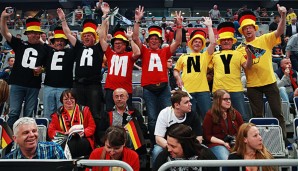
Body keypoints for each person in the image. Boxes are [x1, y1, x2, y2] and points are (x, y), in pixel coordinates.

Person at [235, 5, 288, 142]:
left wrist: (283, 16)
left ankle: (282, 139)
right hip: (253, 86)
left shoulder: (265, 39)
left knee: (278, 113)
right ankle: (260, 140)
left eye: (250, 27)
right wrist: (250, 56)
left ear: (254, 29)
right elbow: (248, 66)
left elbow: (280, 30)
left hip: (270, 82)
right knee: (257, 116)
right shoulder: (240, 49)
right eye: (245, 28)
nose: (248, 30)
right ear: (242, 31)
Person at [132, 6, 182, 146]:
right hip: (149, 89)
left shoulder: (165, 51)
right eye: (151, 39)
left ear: (160, 41)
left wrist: (179, 26)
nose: (154, 41)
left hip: (164, 88)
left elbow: (177, 42)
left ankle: (170, 141)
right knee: (153, 118)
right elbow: (135, 37)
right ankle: (156, 143)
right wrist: (137, 21)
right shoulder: (144, 51)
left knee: (169, 116)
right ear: (148, 41)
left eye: (156, 39)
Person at [57, 8, 104, 144]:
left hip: (93, 85)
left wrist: (105, 17)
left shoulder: (98, 47)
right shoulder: (78, 47)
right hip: (78, 84)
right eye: (84, 35)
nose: (86, 37)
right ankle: (82, 139)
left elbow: (103, 34)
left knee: (95, 113)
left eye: (89, 35)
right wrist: (63, 20)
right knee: (79, 112)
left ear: (94, 37)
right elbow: (66, 32)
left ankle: (95, 140)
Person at [1, 8, 47, 128]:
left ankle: (26, 141)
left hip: (33, 85)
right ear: (27, 34)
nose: (35, 35)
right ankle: (9, 142)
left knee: (29, 116)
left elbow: (47, 67)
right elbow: (5, 33)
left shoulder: (44, 48)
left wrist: (41, 70)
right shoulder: (20, 44)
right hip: (17, 83)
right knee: (14, 113)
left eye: (37, 33)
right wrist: (3, 18)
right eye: (33, 33)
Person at [174, 17, 216, 122]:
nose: (197, 43)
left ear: (202, 45)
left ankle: (207, 138)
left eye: (199, 42)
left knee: (207, 117)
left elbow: (213, 43)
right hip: (187, 91)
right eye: (195, 41)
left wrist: (209, 27)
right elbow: (175, 70)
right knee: (188, 118)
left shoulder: (205, 56)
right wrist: (178, 77)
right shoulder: (183, 56)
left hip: (203, 91)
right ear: (191, 43)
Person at [98, 11, 140, 110]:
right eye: (116, 43)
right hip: (110, 90)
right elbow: (101, 39)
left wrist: (130, 39)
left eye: (121, 43)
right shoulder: (110, 53)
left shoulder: (129, 55)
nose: (118, 45)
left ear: (125, 45)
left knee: (126, 116)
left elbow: (138, 53)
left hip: (126, 91)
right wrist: (104, 19)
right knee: (109, 114)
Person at [211, 22, 252, 122]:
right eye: (223, 40)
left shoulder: (238, 54)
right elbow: (207, 69)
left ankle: (244, 137)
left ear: (232, 41)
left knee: (242, 116)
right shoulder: (214, 55)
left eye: (228, 40)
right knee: (219, 117)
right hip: (219, 89)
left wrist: (250, 55)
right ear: (220, 42)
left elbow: (247, 66)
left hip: (236, 89)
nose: (226, 42)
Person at [152, 90, 202, 165]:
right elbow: (158, 139)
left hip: (188, 146)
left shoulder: (193, 114)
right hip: (167, 144)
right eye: (186, 102)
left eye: (189, 101)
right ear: (177, 105)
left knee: (204, 151)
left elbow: (199, 137)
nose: (190, 104)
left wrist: (187, 148)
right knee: (157, 151)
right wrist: (173, 147)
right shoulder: (165, 114)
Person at [48, 89, 95, 158]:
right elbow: (51, 131)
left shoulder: (85, 110)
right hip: (65, 140)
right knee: (67, 145)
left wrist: (83, 132)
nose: (69, 101)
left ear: (75, 99)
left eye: (72, 98)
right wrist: (64, 134)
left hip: (82, 138)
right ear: (62, 101)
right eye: (66, 99)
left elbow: (92, 126)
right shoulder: (57, 114)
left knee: (81, 143)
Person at [99, 88, 147, 153]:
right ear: (113, 98)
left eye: (121, 96)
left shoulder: (135, 112)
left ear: (127, 97)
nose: (119, 99)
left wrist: (133, 130)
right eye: (116, 96)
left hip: (131, 146)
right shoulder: (106, 113)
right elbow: (100, 132)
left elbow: (143, 130)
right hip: (112, 145)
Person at [42, 26, 75, 121]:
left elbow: (77, 44)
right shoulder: (48, 51)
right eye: (57, 40)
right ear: (53, 42)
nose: (59, 43)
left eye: (62, 41)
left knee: (63, 113)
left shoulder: (70, 52)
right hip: (48, 86)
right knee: (48, 114)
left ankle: (62, 133)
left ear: (65, 42)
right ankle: (48, 134)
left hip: (64, 87)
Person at [153, 124, 218, 171]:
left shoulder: (206, 155)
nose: (169, 149)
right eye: (168, 144)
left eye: (173, 146)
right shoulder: (163, 156)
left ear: (186, 145)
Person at [202, 89, 244, 160]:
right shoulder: (210, 114)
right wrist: (223, 143)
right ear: (218, 101)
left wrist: (237, 141)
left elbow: (243, 129)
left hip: (235, 143)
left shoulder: (234, 113)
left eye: (229, 99)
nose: (228, 101)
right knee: (225, 159)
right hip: (217, 144)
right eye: (225, 99)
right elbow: (207, 136)